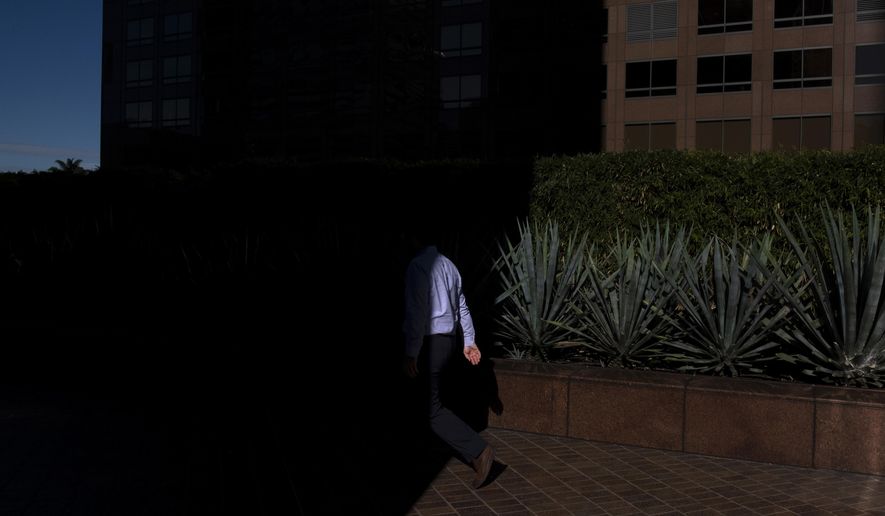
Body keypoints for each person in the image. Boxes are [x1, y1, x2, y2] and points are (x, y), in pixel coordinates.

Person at [401, 227, 495, 490]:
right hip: (449, 343)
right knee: (430, 402)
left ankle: (479, 451)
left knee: (433, 410)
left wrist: (411, 351)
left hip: (429, 344)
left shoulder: (418, 266)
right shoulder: (450, 266)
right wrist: (469, 341)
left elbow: (417, 312)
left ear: (414, 238)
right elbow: (462, 307)